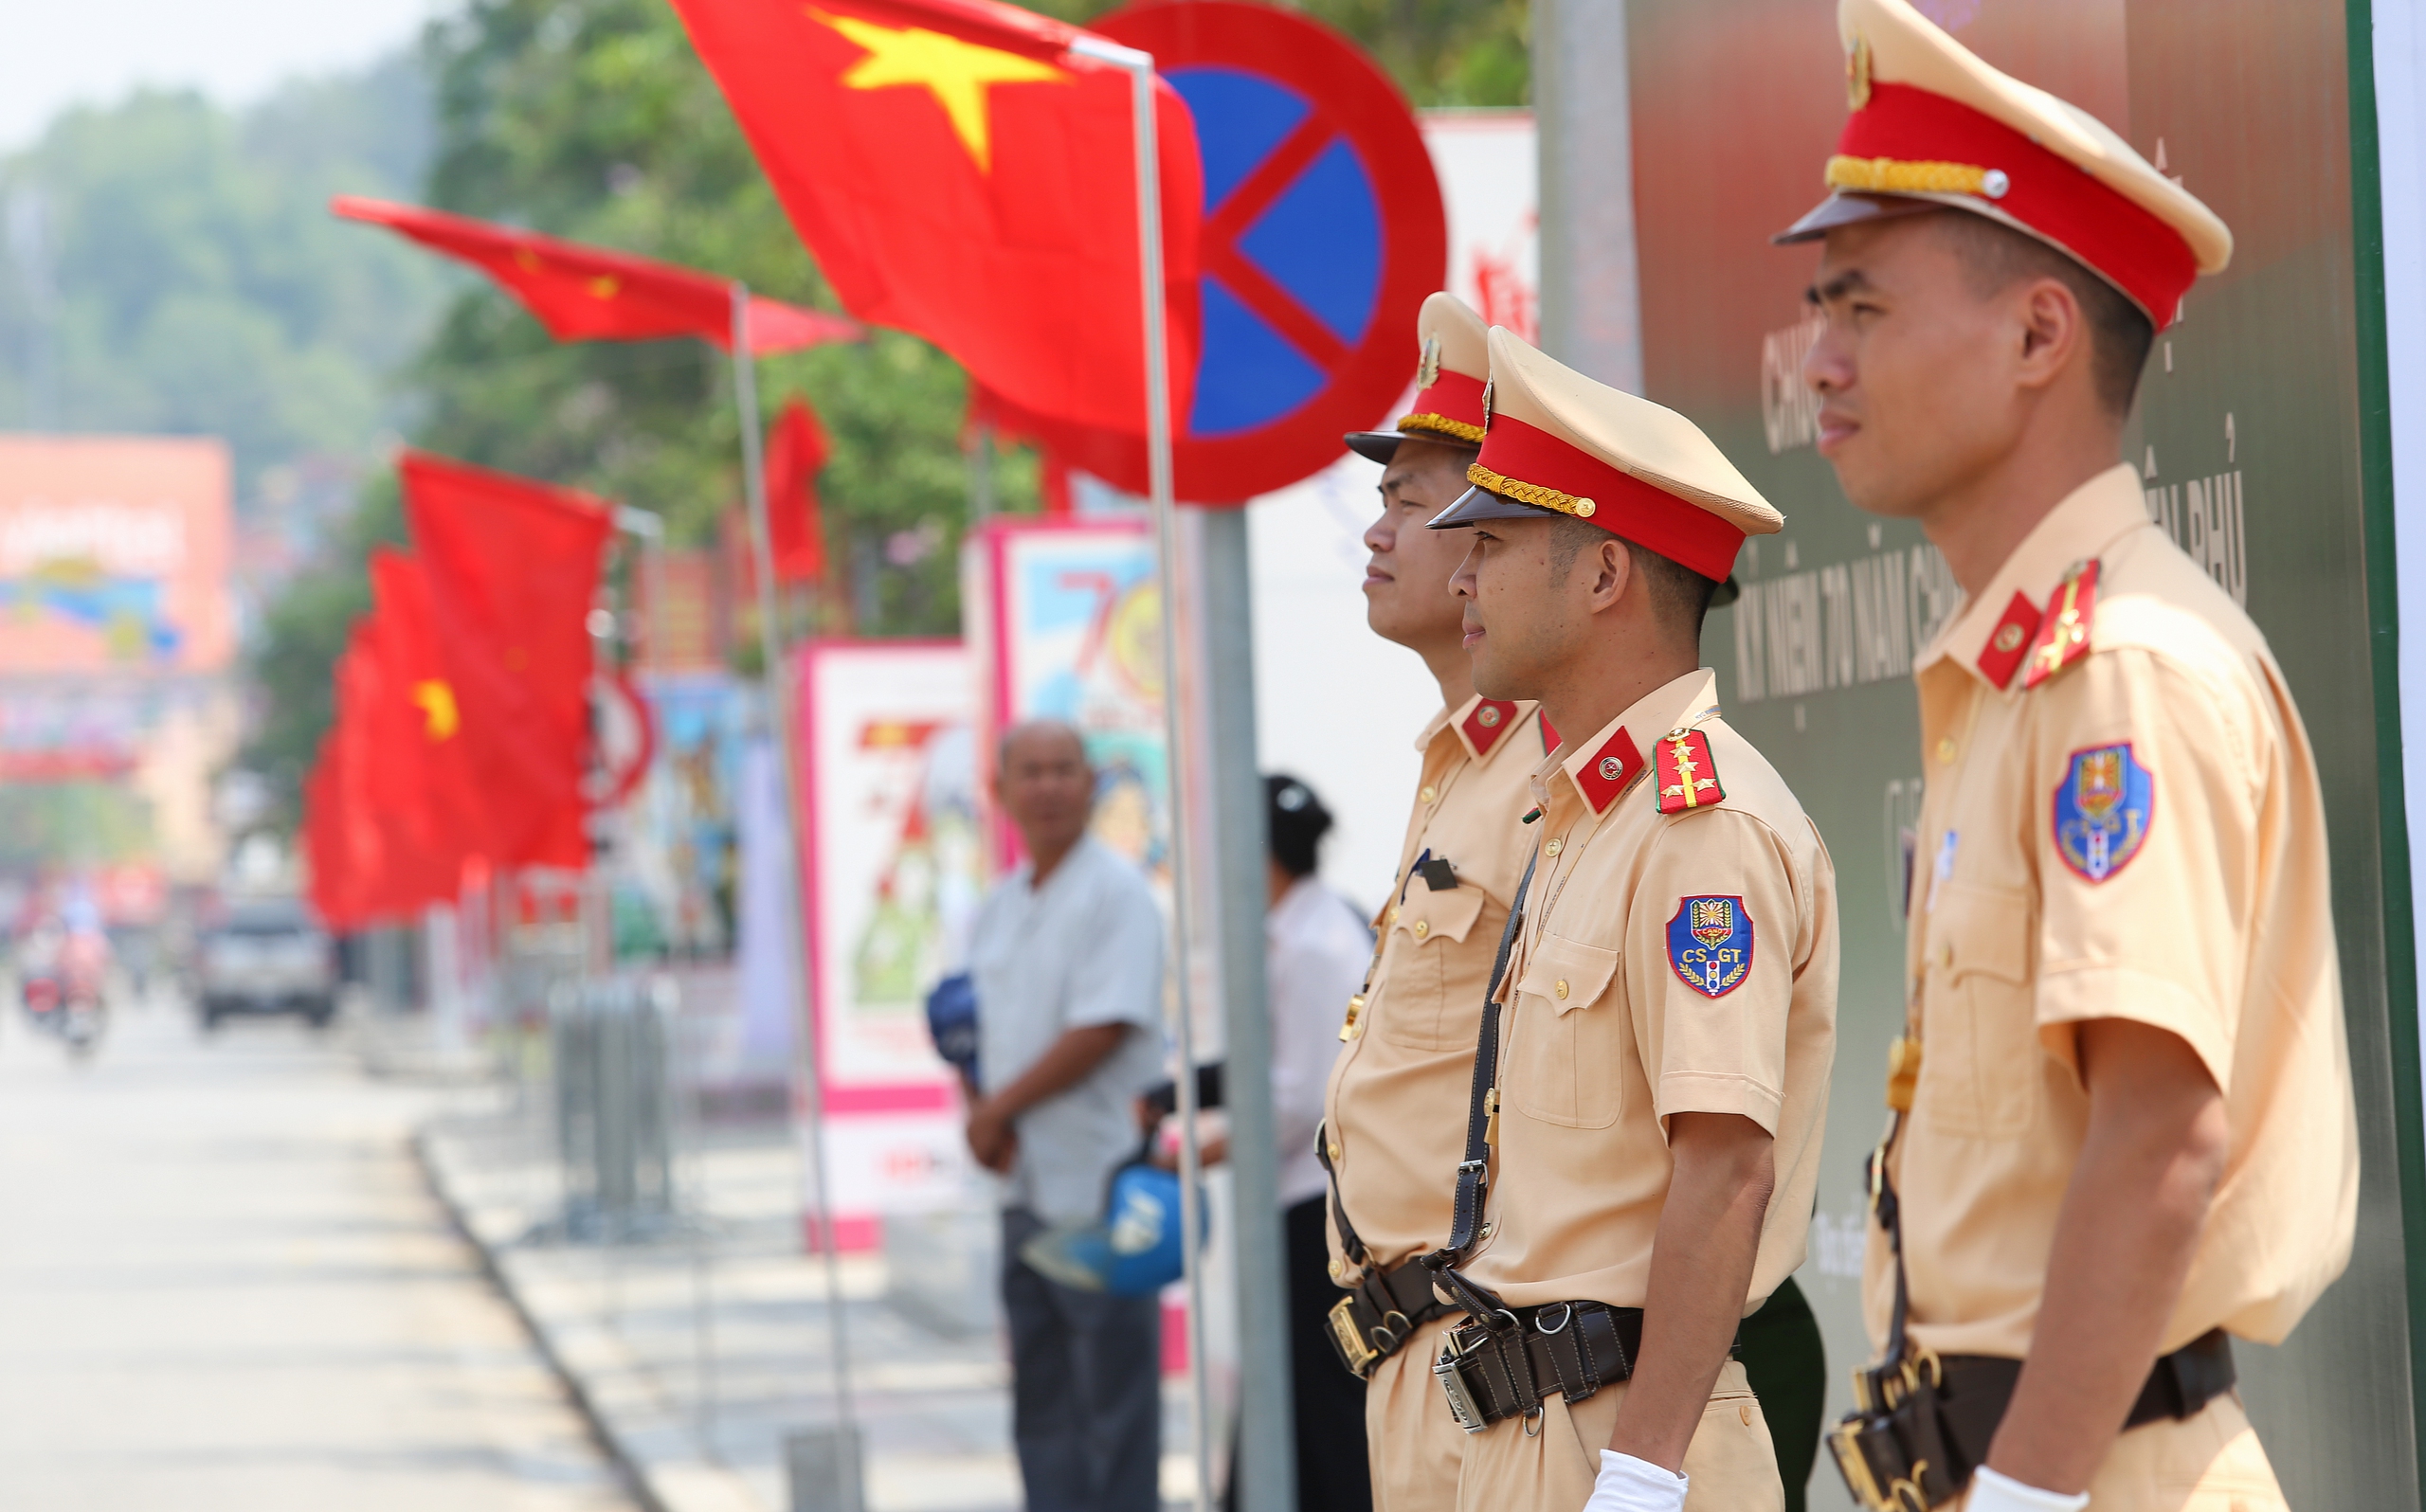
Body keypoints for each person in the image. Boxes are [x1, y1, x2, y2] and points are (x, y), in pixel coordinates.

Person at [1776, 4, 2360, 1509]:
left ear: (2040, 333)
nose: (1816, 365)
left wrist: (2026, 1497)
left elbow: (2161, 1139)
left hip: (2089, 1474)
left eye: (1863, 310)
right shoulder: (2020, 667)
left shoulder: (2119, 670)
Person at [1423, 325, 1838, 1512]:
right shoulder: (1589, 815)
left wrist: (1643, 1481)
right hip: (1531, 1431)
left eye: (1492, 544)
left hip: (1624, 1439)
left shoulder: (1695, 823)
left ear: (1604, 576)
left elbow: (1724, 1170)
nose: (1461, 577)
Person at [1321, 292, 1557, 1512]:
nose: (1379, 533)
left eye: (1409, 501)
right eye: (1382, 500)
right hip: (1420, 1369)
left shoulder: (1549, 778)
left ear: (1483, 532)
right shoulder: (1459, 763)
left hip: (1509, 1373)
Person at [964, 719, 1169, 1512]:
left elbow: (1102, 1026)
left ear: (1092, 784)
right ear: (1000, 791)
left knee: (1114, 1409)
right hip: (1025, 1185)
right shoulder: (1002, 905)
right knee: (1042, 1404)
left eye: (1063, 770)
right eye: (1031, 772)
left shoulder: (1116, 893)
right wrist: (981, 1114)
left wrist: (996, 1112)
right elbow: (979, 1032)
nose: (1047, 786)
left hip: (1104, 1189)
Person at [1260, 774, 1382, 1512]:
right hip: (1313, 1194)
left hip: (1316, 1202)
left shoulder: (1310, 943)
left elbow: (1302, 1097)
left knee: (1323, 1399)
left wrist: (1211, 1145)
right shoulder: (1312, 925)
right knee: (1306, 1394)